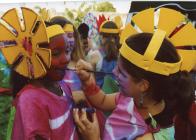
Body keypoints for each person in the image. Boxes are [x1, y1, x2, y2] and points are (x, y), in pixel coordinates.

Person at [73, 8, 196, 140]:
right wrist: (88, 81)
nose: (114, 72)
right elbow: (102, 100)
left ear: (143, 85)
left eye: (121, 72)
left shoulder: (150, 135)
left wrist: (93, 137)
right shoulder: (129, 98)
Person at [0, 8, 79, 140]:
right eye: (56, 53)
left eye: (67, 51)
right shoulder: (30, 101)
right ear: (33, 59)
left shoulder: (62, 86)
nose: (66, 59)